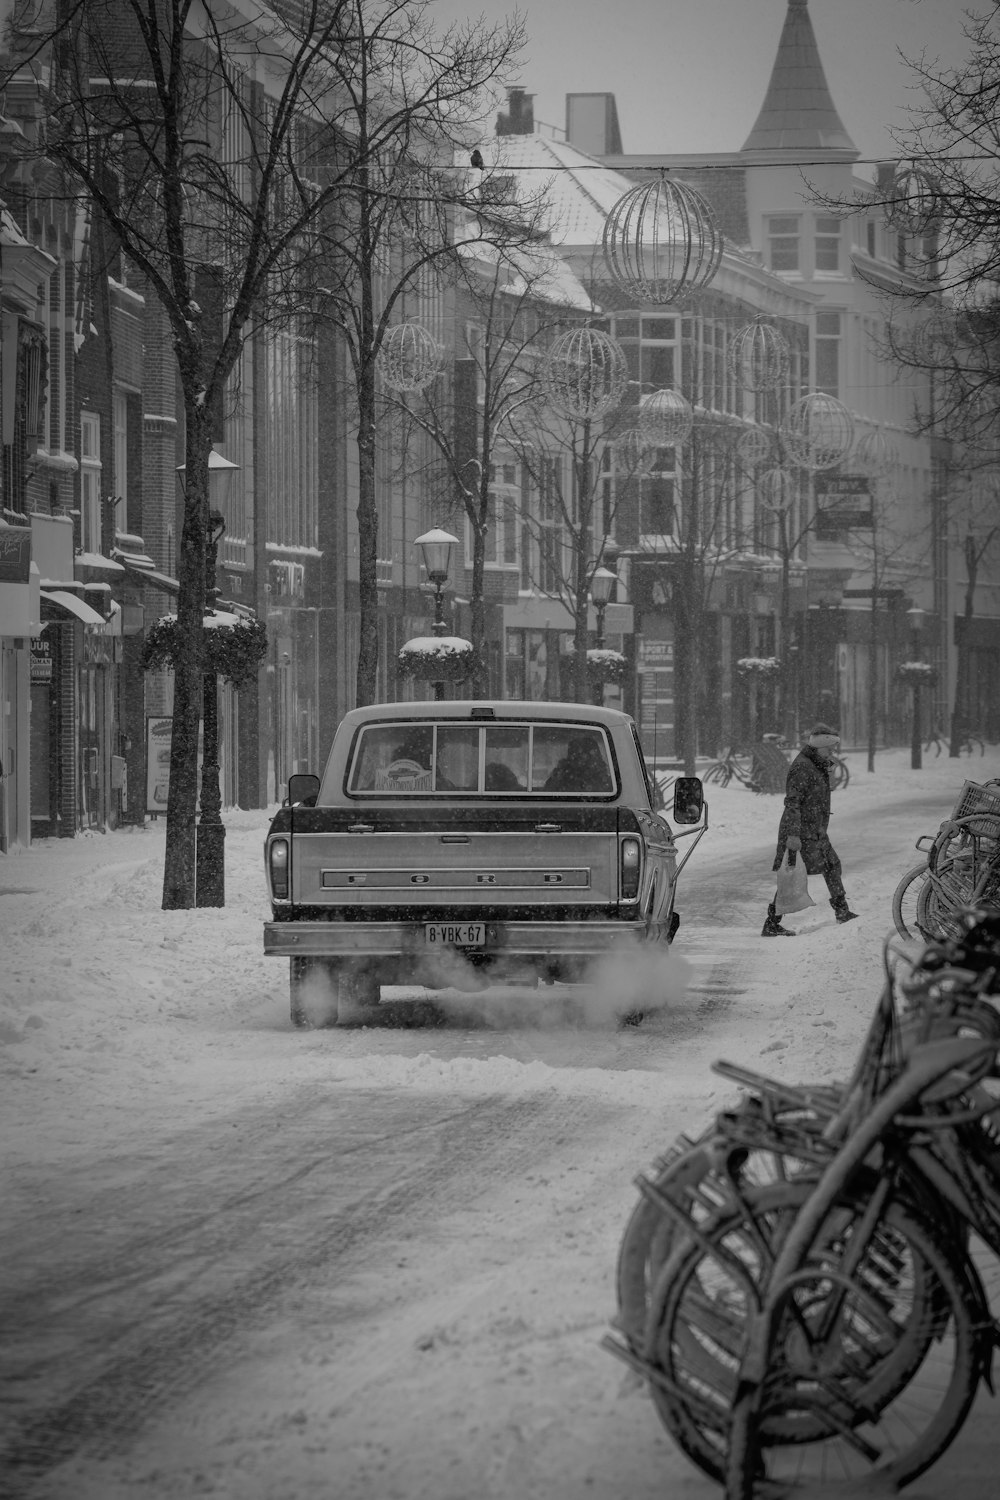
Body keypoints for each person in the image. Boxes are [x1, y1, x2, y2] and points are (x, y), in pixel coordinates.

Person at [762, 723, 858, 937]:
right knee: (791, 875)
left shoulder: (816, 763)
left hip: (815, 830)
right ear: (819, 746)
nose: (832, 752)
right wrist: (793, 835)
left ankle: (842, 911)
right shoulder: (803, 766)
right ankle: (771, 923)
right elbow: (793, 802)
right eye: (829, 748)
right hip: (802, 831)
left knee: (831, 865)